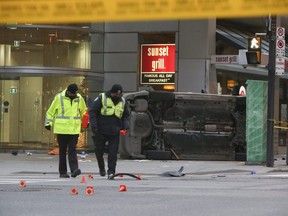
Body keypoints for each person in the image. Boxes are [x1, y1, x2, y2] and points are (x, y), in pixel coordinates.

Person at [45, 83, 87, 178]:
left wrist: (85, 122)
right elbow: (50, 112)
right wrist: (48, 123)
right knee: (62, 152)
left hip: (74, 129)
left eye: (74, 94)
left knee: (72, 150)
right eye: (72, 94)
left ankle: (74, 170)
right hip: (61, 129)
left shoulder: (79, 98)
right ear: (68, 92)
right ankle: (63, 172)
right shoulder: (59, 98)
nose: (73, 95)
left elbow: (84, 111)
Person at [89, 84, 130, 179]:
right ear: (111, 93)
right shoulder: (102, 97)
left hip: (115, 131)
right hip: (101, 130)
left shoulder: (123, 101)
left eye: (119, 95)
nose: (117, 96)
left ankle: (111, 172)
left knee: (113, 153)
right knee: (99, 151)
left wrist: (126, 126)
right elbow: (93, 112)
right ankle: (101, 168)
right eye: (115, 94)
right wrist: (94, 126)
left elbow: (125, 116)